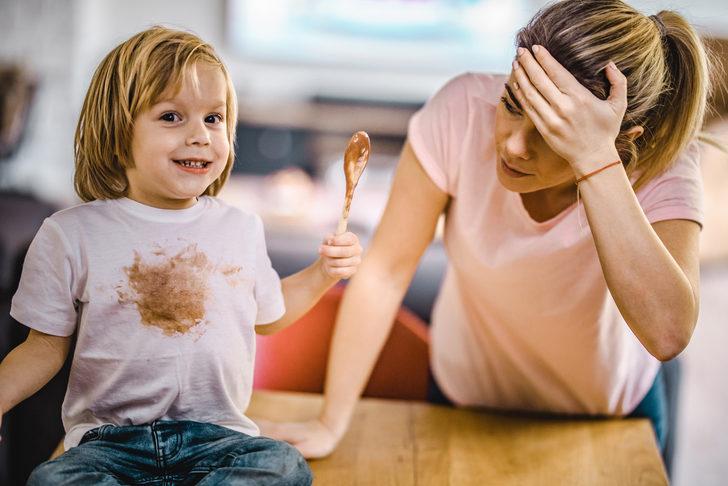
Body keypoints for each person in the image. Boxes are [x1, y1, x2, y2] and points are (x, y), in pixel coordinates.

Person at [260, 0, 712, 461]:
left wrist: (597, 162)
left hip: (605, 418)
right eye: (512, 104)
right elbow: (385, 272)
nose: (514, 145)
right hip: (462, 398)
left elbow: (668, 334)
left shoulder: (664, 167)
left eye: (553, 132)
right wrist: (331, 421)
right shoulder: (461, 110)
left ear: (623, 140)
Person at [0, 26, 363, 485]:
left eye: (214, 118)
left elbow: (267, 315)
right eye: (172, 117)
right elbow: (42, 347)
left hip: (218, 438)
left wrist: (322, 273)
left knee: (284, 467)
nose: (200, 135)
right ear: (116, 130)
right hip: (108, 446)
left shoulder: (241, 227)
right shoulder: (69, 234)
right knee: (50, 481)